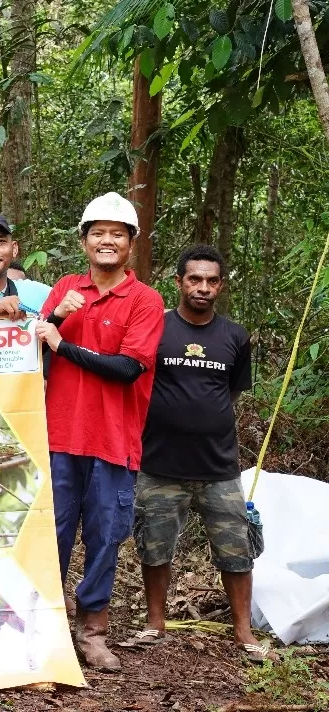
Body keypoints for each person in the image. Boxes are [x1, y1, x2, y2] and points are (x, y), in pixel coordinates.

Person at [32, 192, 166, 671]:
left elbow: (129, 368)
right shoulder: (65, 287)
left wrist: (64, 344)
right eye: (97, 233)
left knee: (106, 537)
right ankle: (46, 630)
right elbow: (32, 349)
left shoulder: (146, 300)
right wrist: (55, 317)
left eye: (117, 233)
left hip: (113, 441)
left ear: (131, 242)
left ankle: (93, 632)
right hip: (57, 438)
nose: (106, 241)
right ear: (84, 241)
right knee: (53, 535)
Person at [124, 245, 270, 661]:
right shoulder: (157, 328)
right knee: (155, 545)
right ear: (179, 283)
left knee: (236, 547)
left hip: (219, 465)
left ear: (220, 285)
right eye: (194, 279)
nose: (202, 287)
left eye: (211, 280)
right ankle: (155, 623)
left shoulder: (235, 336)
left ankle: (243, 633)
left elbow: (232, 392)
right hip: (159, 463)